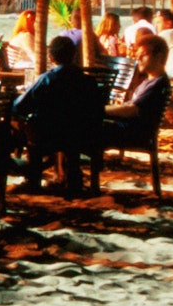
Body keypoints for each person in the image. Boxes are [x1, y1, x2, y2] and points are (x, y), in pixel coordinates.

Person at [12, 37, 104, 192]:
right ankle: (71, 175)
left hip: (48, 134)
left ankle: (32, 177)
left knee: (22, 125)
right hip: (81, 134)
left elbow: (19, 106)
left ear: (51, 57)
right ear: (74, 55)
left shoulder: (47, 79)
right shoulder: (88, 81)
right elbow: (98, 110)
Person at [103, 35, 173, 143]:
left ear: (159, 57)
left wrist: (101, 110)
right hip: (130, 129)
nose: (138, 59)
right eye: (137, 56)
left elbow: (132, 110)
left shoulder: (157, 84)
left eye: (143, 55)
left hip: (133, 133)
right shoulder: (150, 82)